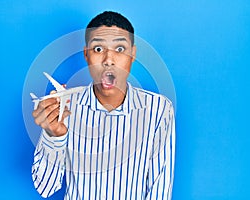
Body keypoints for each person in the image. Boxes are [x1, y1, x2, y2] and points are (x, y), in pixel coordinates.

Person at [31, 11, 175, 200]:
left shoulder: (159, 110)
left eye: (120, 49)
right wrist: (54, 136)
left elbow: (160, 191)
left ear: (133, 54)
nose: (108, 60)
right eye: (98, 49)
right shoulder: (64, 107)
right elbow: (45, 188)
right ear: (86, 55)